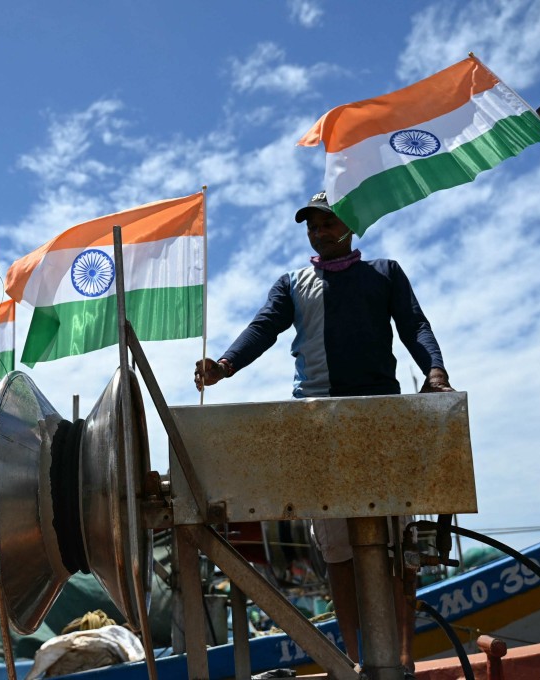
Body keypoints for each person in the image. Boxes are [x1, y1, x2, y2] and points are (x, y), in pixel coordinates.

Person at [194, 190, 455, 671]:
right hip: (317, 423)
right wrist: (224, 365)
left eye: (328, 221)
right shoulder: (293, 283)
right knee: (337, 549)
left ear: (349, 224)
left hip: (381, 418)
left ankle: (401, 660)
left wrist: (435, 373)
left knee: (397, 549)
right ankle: (357, 662)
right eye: (312, 225)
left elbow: (414, 326)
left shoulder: (385, 273)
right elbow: (263, 328)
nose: (319, 230)